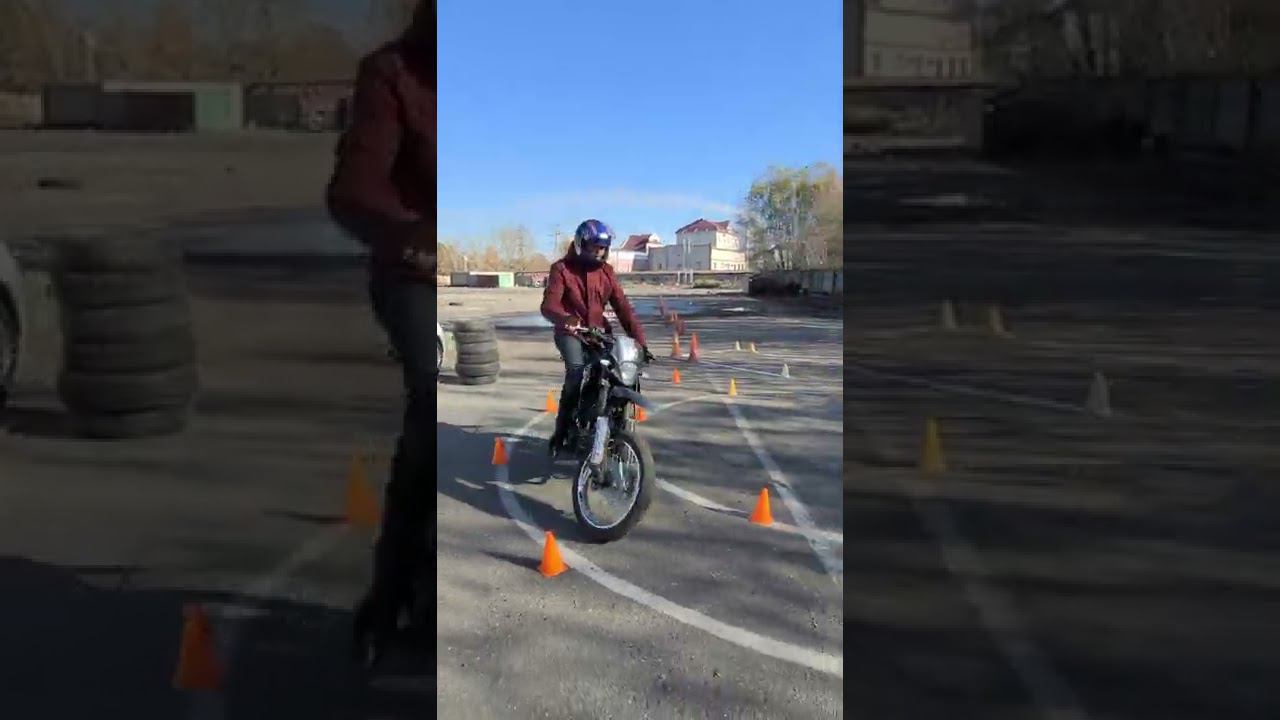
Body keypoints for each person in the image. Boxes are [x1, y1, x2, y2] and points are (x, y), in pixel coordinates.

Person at [325, 0, 435, 664]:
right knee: (434, 396)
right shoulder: (393, 73)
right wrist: (410, 235)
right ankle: (388, 594)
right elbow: (352, 188)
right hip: (411, 271)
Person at [540, 219, 652, 456]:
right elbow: (549, 305)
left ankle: (613, 426)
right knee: (576, 370)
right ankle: (562, 432)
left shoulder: (606, 272)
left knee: (617, 371)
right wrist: (565, 318)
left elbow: (623, 308)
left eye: (603, 248)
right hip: (570, 332)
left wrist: (640, 342)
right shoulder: (561, 269)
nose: (599, 252)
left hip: (598, 333)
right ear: (581, 244)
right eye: (594, 246)